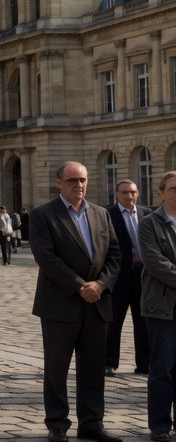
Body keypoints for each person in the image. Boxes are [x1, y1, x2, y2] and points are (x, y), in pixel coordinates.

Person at [30, 161, 122, 442]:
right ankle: (57, 423)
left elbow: (115, 254)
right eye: (72, 180)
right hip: (61, 302)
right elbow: (46, 257)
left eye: (82, 179)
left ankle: (91, 423)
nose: (78, 185)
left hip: (97, 303)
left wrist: (101, 284)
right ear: (59, 183)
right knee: (57, 367)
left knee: (93, 367)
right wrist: (80, 286)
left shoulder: (101, 214)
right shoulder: (43, 215)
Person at [139, 171, 176, 442]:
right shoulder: (149, 223)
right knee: (162, 368)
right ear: (161, 193)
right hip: (161, 305)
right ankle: (160, 425)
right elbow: (154, 263)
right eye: (173, 189)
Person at [106, 179, 150, 377]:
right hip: (118, 276)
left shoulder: (146, 214)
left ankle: (145, 363)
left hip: (142, 275)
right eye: (125, 192)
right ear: (117, 194)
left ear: (137, 194)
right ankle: (109, 362)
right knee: (114, 320)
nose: (129, 196)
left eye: (132, 192)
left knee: (143, 321)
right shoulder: (108, 214)